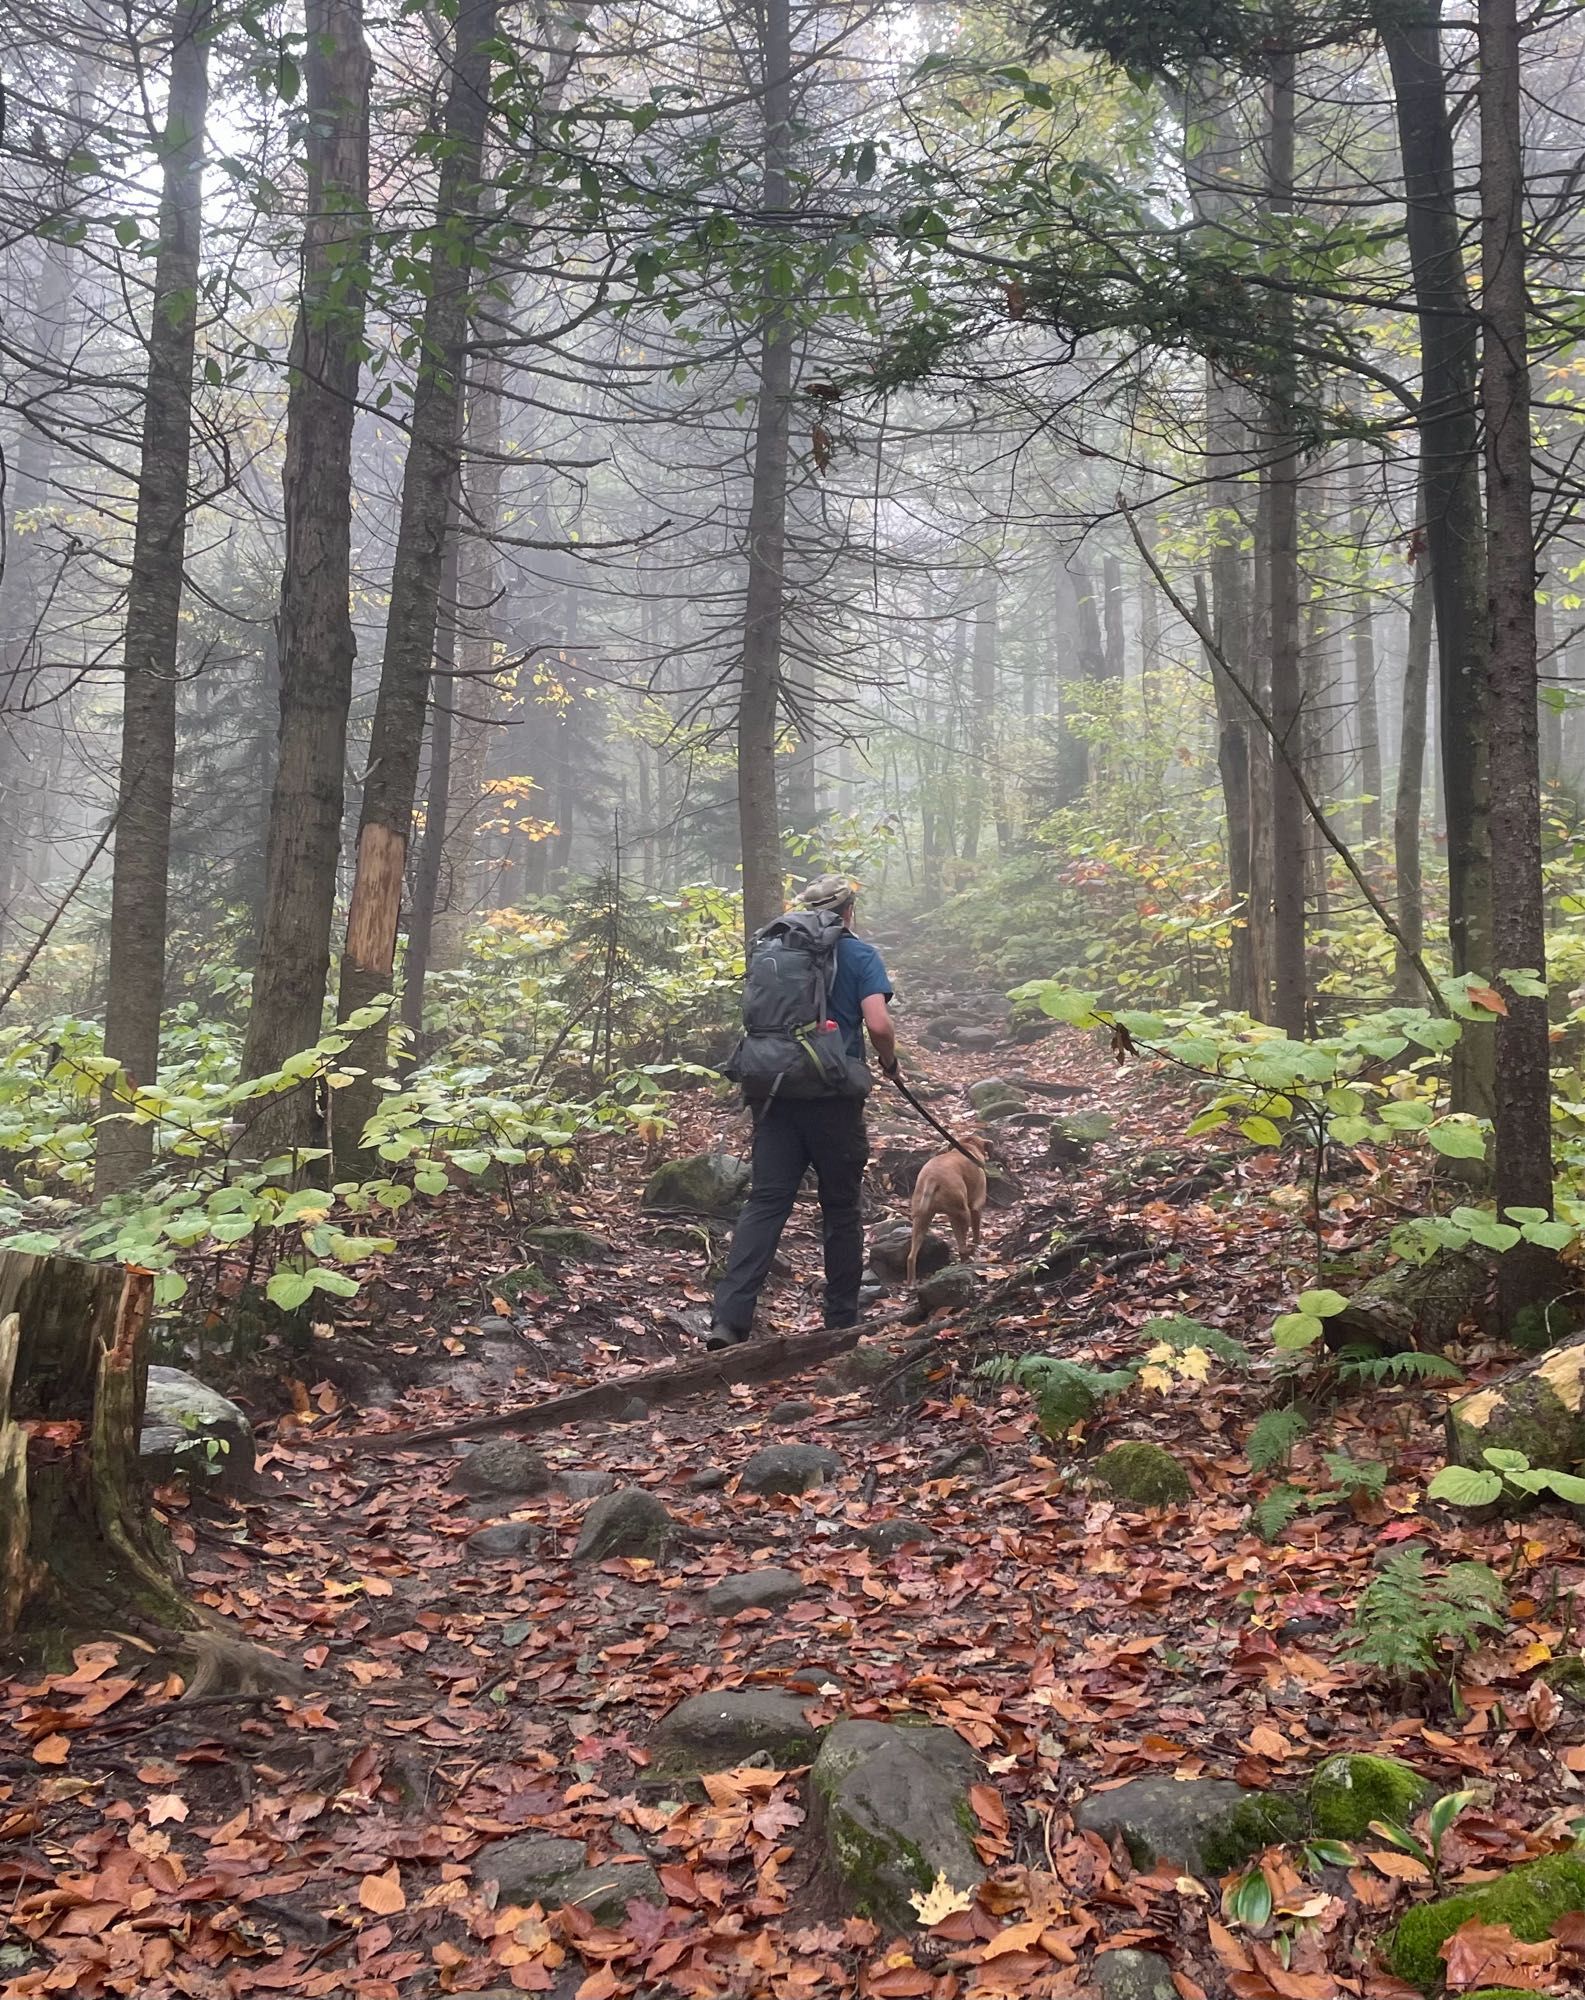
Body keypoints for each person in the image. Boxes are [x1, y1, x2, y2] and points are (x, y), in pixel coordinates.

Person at [707, 876, 897, 1348]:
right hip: (833, 1096)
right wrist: (888, 1062)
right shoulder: (860, 955)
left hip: (772, 1089)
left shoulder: (775, 952)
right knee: (840, 1207)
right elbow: (878, 1022)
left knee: (768, 1201)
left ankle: (729, 1321)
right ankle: (841, 1321)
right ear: (849, 911)